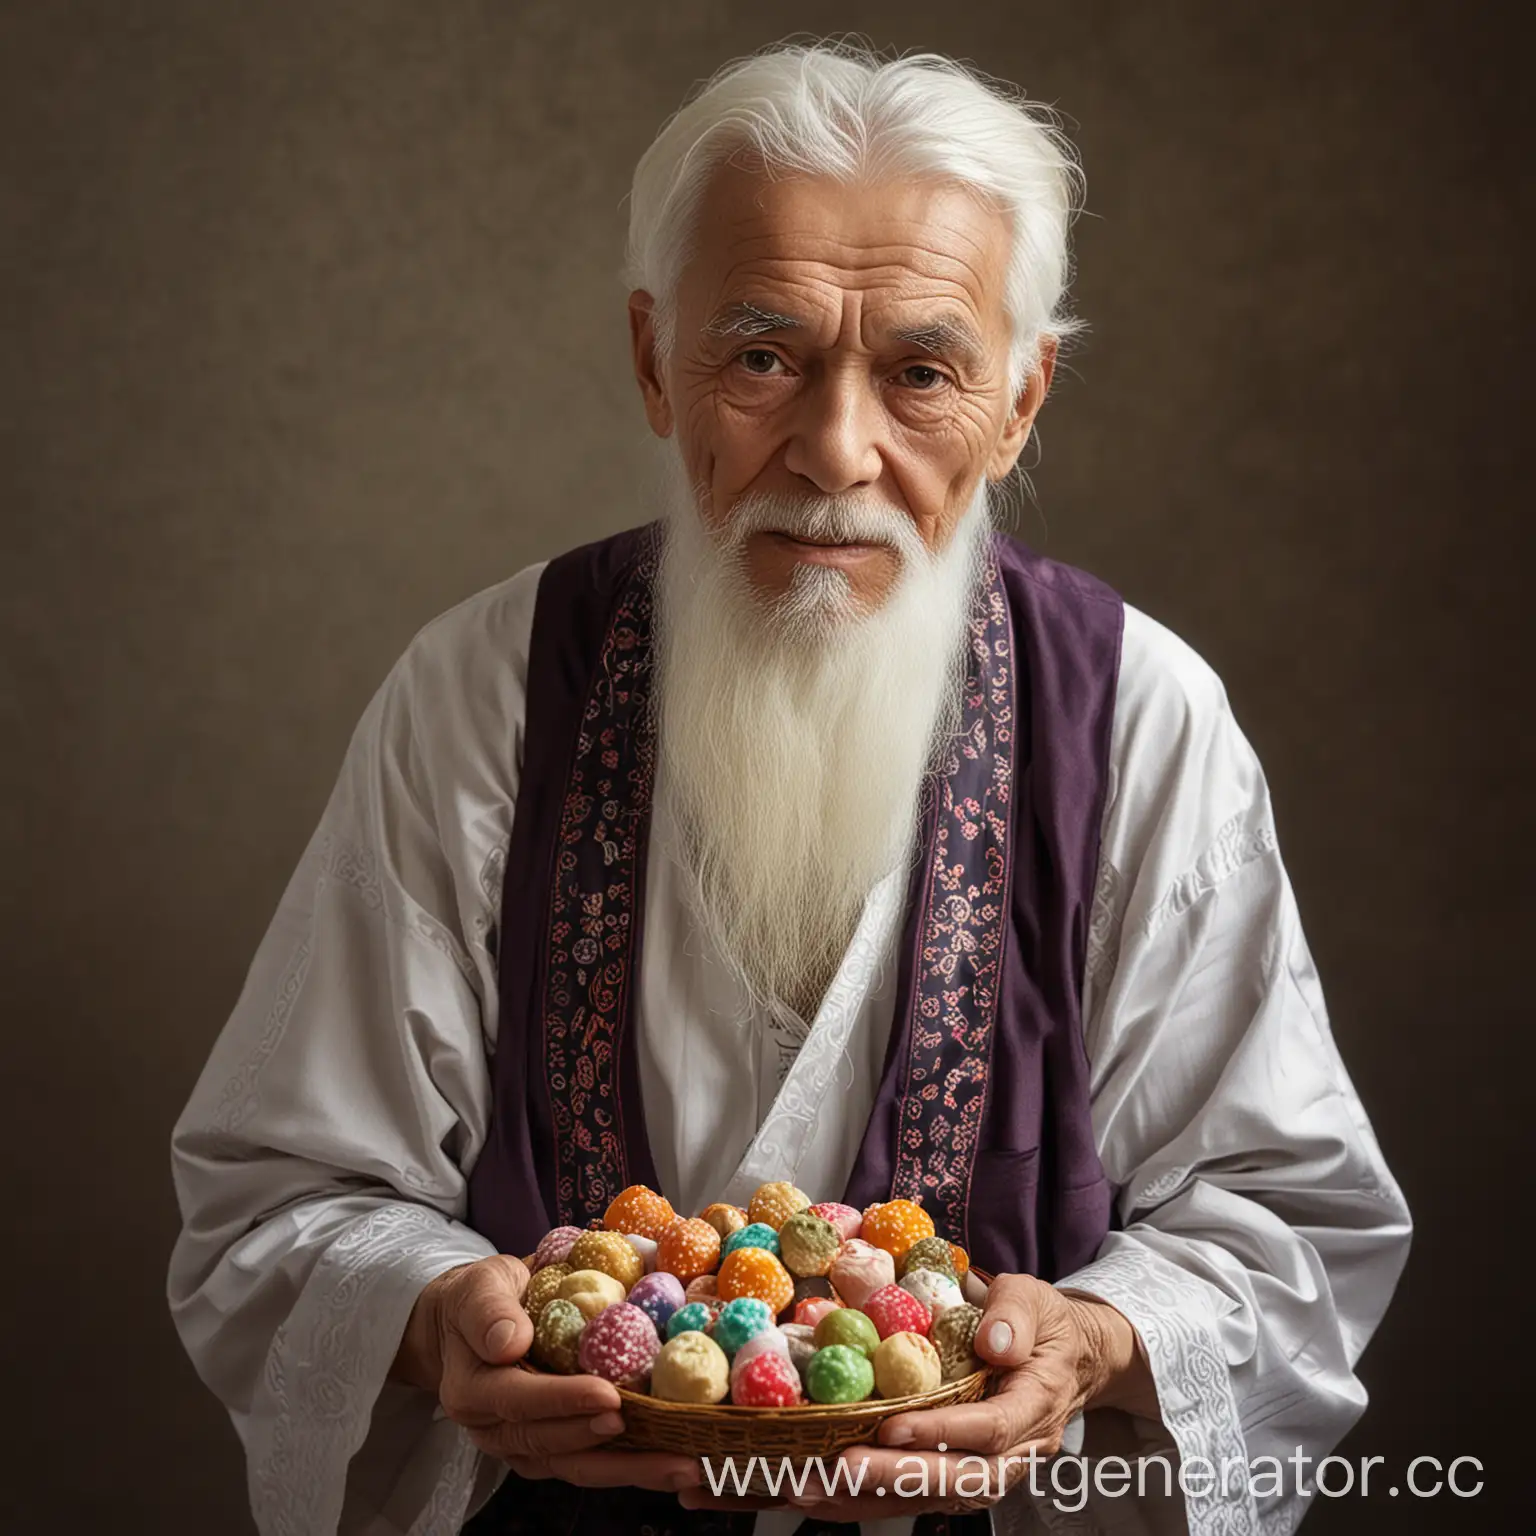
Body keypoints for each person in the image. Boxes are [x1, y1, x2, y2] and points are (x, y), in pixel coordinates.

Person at [167, 41, 1411, 1536]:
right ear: (651, 360)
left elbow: (1285, 1217)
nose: (835, 449)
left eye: (922, 372)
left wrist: (1090, 1342)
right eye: (762, 356)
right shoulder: (482, 695)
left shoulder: (1142, 719)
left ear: (1021, 399)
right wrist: (442, 1318)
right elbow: (281, 1197)